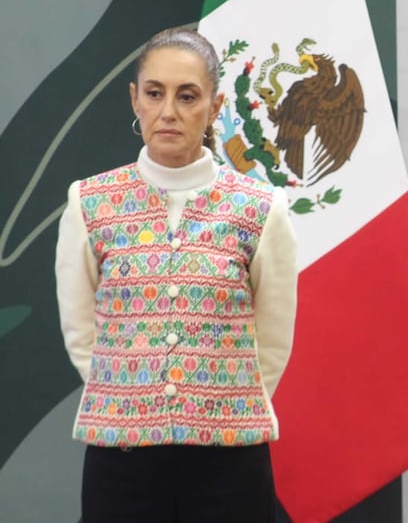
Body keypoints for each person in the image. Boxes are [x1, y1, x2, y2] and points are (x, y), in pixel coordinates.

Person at [55, 27, 298, 522]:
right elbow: (81, 332)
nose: (168, 111)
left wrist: (219, 406)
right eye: (154, 93)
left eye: (187, 96)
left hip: (230, 464)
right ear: (135, 100)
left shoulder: (260, 208)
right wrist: (131, 395)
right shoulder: (90, 203)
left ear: (214, 106)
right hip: (121, 461)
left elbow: (272, 340)